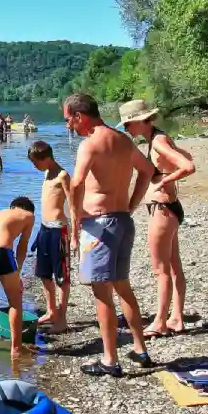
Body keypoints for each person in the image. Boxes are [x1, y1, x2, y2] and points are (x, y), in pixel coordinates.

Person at [62, 92, 158, 374]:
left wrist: (75, 218)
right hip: (121, 220)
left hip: (99, 226)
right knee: (122, 286)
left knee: (102, 293)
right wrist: (131, 205)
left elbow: (76, 184)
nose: (68, 125)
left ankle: (110, 360)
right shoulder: (122, 140)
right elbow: (148, 170)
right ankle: (140, 349)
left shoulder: (90, 144)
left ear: (80, 116)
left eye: (69, 119)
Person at [119, 100, 196, 337]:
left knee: (160, 269)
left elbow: (188, 165)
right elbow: (185, 155)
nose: (126, 130)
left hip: (162, 208)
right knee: (173, 267)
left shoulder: (158, 141)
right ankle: (177, 318)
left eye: (127, 124)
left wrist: (163, 181)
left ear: (140, 121)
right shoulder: (158, 138)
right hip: (169, 208)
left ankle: (161, 321)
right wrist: (168, 176)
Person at [0, 196, 36, 355]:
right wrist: (19, 271)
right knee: (15, 300)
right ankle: (16, 348)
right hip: (1, 250)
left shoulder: (1, 213)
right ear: (27, 208)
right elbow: (22, 246)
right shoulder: (29, 216)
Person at [26, 140, 74, 332]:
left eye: (35, 162)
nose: (34, 166)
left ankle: (62, 320)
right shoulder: (46, 173)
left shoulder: (63, 175)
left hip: (59, 229)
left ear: (46, 159)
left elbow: (72, 206)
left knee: (61, 277)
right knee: (44, 274)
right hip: (44, 228)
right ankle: (51, 310)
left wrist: (75, 235)